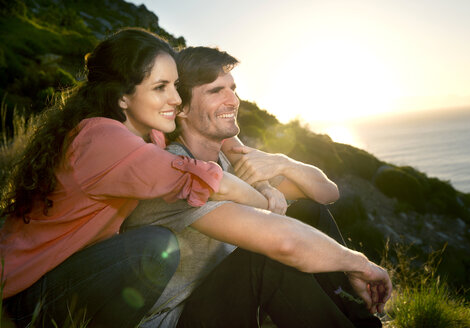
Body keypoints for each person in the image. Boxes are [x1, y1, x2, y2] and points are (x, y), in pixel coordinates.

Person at [0, 28, 254, 327]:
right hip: (23, 295)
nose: (175, 98)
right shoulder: (104, 139)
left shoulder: (147, 132)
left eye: (175, 85)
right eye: (161, 87)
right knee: (154, 248)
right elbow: (211, 180)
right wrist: (268, 201)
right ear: (122, 96)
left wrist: (240, 148)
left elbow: (209, 132)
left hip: (66, 273)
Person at [123, 46, 392, 328]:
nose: (233, 101)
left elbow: (326, 193)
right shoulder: (176, 170)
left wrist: (282, 162)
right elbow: (286, 244)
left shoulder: (230, 160)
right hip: (174, 318)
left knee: (309, 213)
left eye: (233, 88)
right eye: (216, 91)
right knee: (266, 260)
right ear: (182, 108)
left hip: (225, 298)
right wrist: (358, 264)